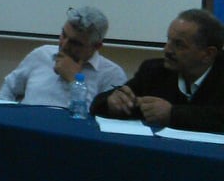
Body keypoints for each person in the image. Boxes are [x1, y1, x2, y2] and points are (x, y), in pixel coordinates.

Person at [91, 9, 224, 132]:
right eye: (168, 40)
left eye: (179, 44)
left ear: (208, 54)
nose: (167, 50)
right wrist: (110, 102)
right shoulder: (154, 71)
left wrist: (172, 114)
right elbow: (100, 104)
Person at [0, 6, 126, 107]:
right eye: (63, 35)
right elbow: (9, 88)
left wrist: (74, 81)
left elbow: (95, 123)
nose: (64, 45)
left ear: (96, 46)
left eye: (75, 43)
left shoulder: (112, 75)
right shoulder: (41, 54)